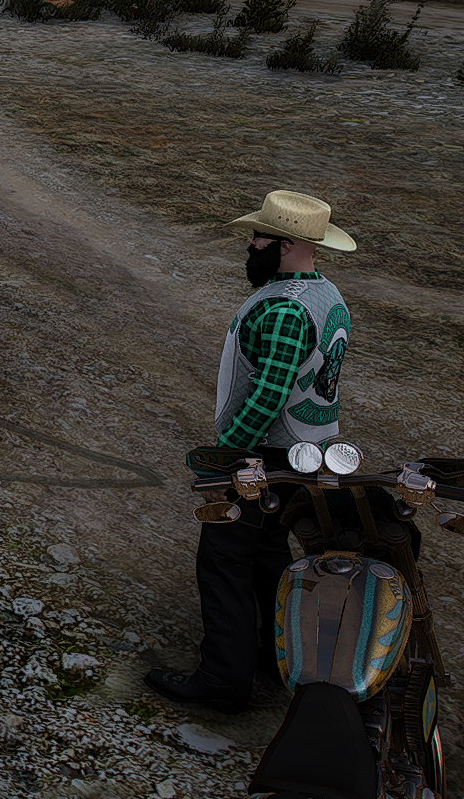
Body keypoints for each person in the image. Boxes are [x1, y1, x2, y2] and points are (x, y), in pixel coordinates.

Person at [145, 190, 356, 714]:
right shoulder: (328, 295)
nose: (251, 244)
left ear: (285, 245)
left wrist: (226, 460)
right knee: (268, 558)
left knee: (221, 564)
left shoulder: (284, 307)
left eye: (259, 237)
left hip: (264, 459)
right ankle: (275, 655)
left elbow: (268, 394)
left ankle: (223, 680)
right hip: (309, 457)